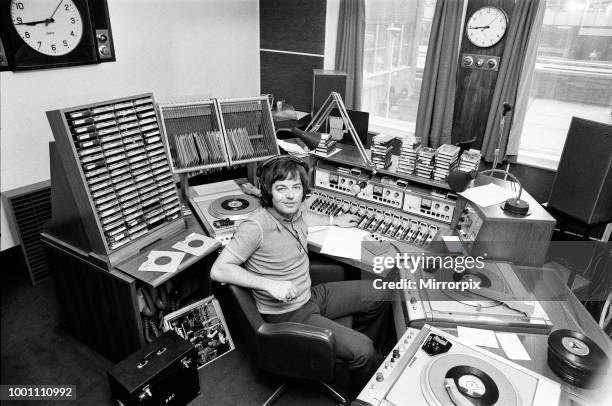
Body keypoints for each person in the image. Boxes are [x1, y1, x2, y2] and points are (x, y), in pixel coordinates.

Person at [210, 155, 392, 391]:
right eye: (281, 188)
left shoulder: (295, 213)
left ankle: (355, 357)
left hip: (309, 296)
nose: (290, 195)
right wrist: (268, 284)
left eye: (296, 188)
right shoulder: (255, 227)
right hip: (287, 313)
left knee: (382, 291)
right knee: (363, 349)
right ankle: (366, 383)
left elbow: (305, 216)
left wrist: (334, 219)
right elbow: (219, 270)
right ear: (268, 191)